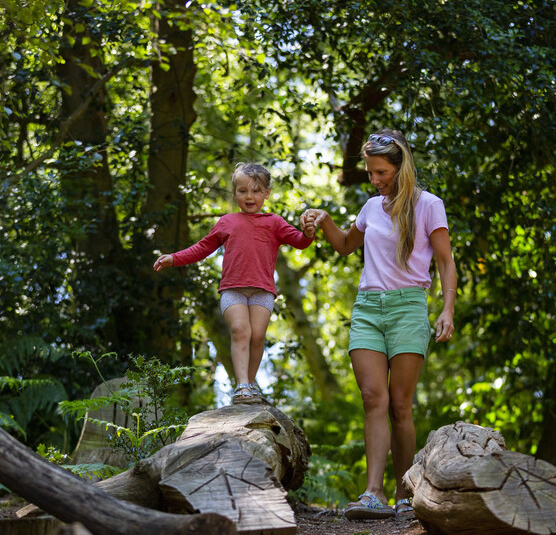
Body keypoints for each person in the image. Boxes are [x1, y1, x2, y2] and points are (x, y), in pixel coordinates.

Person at [301, 129, 456, 521]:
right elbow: (345, 246)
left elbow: (445, 262)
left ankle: (405, 492)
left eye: (381, 172)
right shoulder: (371, 208)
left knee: (400, 405)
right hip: (368, 308)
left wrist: (447, 309)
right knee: (374, 398)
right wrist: (324, 219)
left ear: (401, 168)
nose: (375, 180)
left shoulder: (429, 205)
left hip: (408, 307)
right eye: (370, 173)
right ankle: (373, 493)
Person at [154, 162, 316, 404]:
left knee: (258, 336)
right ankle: (241, 386)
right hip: (233, 290)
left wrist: (309, 232)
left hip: (262, 291)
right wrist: (173, 258)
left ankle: (250, 384)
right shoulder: (227, 222)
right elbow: (202, 248)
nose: (249, 196)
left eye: (256, 190)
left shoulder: (274, 222)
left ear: (267, 193)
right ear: (235, 193)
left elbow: (300, 241)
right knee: (241, 331)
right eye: (243, 191)